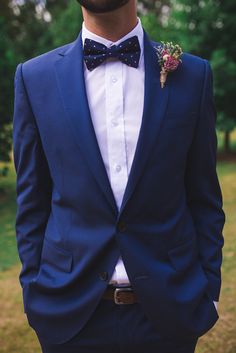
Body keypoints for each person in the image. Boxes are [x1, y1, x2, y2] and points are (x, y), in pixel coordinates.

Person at [12, 1, 226, 352]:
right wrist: (35, 294)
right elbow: (32, 204)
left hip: (169, 315)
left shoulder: (193, 76)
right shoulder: (34, 78)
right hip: (70, 317)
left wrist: (209, 292)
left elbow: (204, 200)